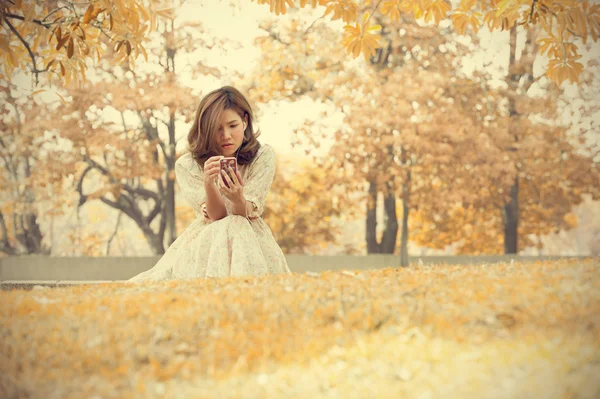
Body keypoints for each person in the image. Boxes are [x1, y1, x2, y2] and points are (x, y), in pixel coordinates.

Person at [129, 86, 291, 282]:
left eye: (233, 125)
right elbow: (217, 216)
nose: (226, 136)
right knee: (229, 223)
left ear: (245, 121)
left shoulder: (262, 156)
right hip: (209, 235)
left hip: (250, 237)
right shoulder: (188, 165)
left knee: (237, 222)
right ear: (206, 129)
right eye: (217, 129)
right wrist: (208, 183)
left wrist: (238, 198)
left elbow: (242, 214)